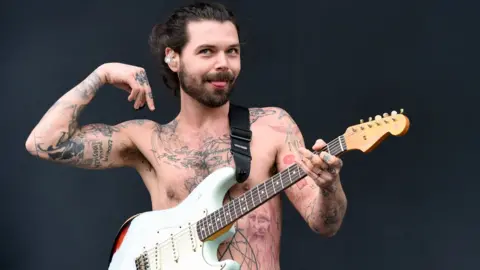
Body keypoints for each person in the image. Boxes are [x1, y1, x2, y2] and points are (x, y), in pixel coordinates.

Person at [25, 2, 347, 270]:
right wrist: (102, 74)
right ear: (173, 58)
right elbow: (45, 143)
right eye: (207, 51)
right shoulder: (146, 140)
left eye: (232, 51)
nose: (223, 64)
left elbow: (325, 223)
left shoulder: (273, 126)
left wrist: (329, 186)